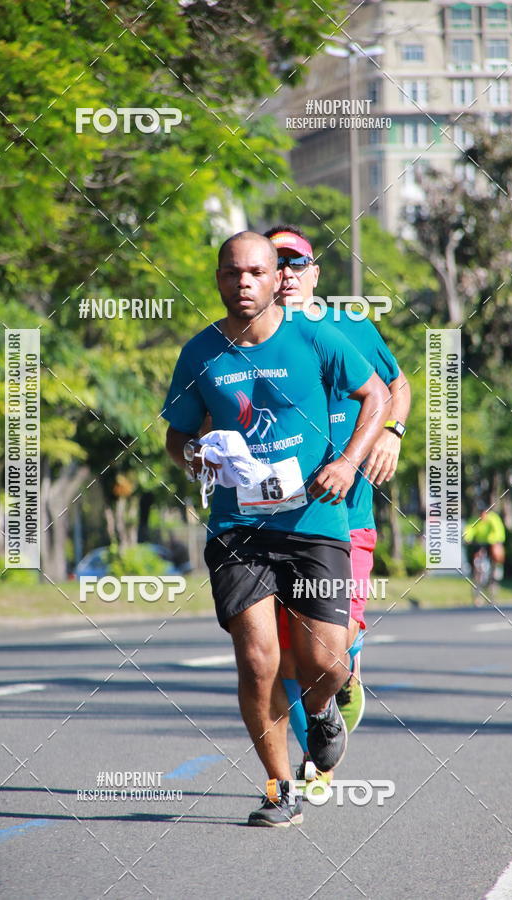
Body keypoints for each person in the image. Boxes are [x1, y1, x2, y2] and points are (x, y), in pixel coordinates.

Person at [162, 231, 390, 827]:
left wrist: (347, 462)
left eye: (257, 272)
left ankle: (323, 710)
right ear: (218, 278)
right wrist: (198, 457)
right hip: (239, 527)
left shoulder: (316, 337)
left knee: (325, 662)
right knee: (258, 658)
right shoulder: (200, 354)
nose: (245, 283)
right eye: (233, 273)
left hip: (315, 521)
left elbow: (378, 396)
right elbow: (177, 438)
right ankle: (278, 788)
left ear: (273, 280)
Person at [264, 225, 411, 783]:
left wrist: (392, 433)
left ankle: (347, 667)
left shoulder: (349, 324)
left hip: (348, 518)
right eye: (273, 264)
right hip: (277, 520)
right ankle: (308, 765)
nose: (285, 276)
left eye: (295, 264)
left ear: (314, 273)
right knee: (287, 657)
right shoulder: (251, 338)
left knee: (332, 647)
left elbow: (395, 384)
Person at [464, 504, 506, 604]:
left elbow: (498, 532)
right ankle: (477, 594)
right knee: (476, 564)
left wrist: (494, 540)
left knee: (495, 559)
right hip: (479, 545)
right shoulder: (475, 519)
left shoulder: (493, 519)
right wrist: (467, 538)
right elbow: (469, 530)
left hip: (491, 544)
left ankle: (494, 581)